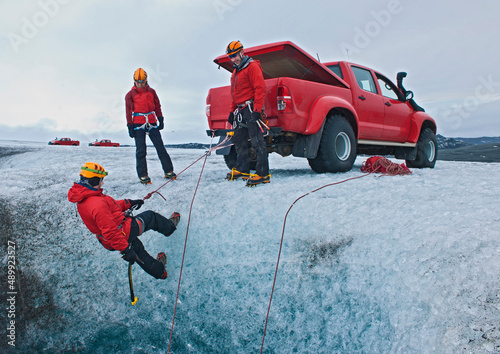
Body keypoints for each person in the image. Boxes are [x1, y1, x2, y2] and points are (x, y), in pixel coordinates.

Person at [67, 162, 181, 280]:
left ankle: (160, 272)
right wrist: (125, 249)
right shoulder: (97, 204)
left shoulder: (86, 197)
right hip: (121, 232)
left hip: (108, 240)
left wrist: (130, 202)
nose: (103, 182)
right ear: (94, 181)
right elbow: (110, 231)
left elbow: (112, 206)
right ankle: (169, 228)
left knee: (138, 250)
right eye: (101, 179)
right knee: (151, 217)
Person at [224, 40, 270, 187]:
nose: (233, 58)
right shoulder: (236, 72)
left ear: (242, 52)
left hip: (251, 109)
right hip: (240, 110)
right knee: (239, 140)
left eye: (235, 55)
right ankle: (243, 169)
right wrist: (232, 111)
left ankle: (263, 174)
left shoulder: (252, 67)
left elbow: (260, 89)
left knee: (257, 141)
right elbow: (233, 94)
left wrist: (257, 110)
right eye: (230, 56)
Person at [125, 68, 176, 185]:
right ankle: (143, 175)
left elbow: (157, 106)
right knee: (141, 150)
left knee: (160, 147)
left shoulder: (152, 92)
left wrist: (161, 119)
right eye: (138, 82)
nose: (140, 84)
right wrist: (129, 126)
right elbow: (128, 111)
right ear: (134, 81)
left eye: (142, 82)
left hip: (152, 122)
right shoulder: (130, 95)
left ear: (146, 80)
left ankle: (169, 171)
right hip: (138, 123)